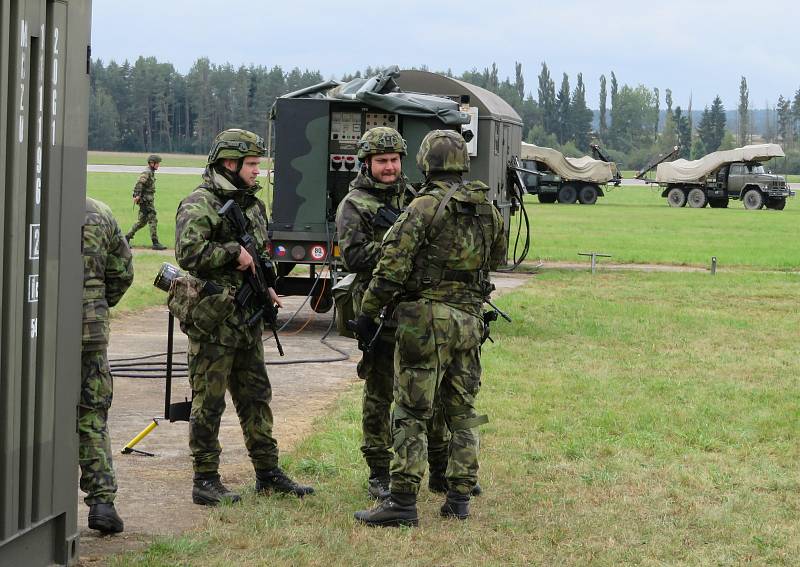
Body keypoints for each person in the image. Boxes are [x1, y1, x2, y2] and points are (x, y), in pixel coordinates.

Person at [352, 130, 506, 526]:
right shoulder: (485, 206)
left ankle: (401, 502)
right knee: (464, 411)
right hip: (470, 322)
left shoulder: (423, 206)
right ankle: (459, 497)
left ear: (425, 162)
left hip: (426, 324)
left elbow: (390, 269)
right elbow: (500, 258)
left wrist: (368, 312)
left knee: (411, 411)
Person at [175, 128, 314, 506]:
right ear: (230, 164)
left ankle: (268, 473)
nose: (257, 171)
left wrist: (266, 283)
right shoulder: (199, 203)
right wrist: (231, 252)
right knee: (210, 401)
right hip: (216, 321)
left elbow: (261, 252)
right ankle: (205, 479)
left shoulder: (252, 205)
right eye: (252, 164)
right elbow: (188, 253)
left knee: (256, 397)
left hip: (248, 318)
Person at [335, 127, 451, 500]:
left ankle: (439, 468)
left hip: (417, 309)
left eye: (394, 160)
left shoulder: (415, 197)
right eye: (382, 161)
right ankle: (379, 471)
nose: (389, 167)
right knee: (380, 392)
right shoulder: (354, 204)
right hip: (378, 308)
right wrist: (399, 246)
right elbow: (353, 256)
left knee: (427, 391)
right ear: (367, 163)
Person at [81, 197, 134, 533]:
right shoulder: (100, 212)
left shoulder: (25, 202)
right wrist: (98, 302)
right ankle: (101, 502)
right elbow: (122, 271)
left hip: (30, 330)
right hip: (88, 332)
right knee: (90, 414)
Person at [125, 154, 167, 250]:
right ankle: (155, 242)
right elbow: (139, 183)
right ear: (152, 163)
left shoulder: (150, 172)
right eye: (157, 163)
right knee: (153, 219)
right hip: (145, 201)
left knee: (142, 222)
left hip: (147, 200)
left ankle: (125, 238)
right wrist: (137, 195)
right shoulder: (147, 172)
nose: (158, 165)